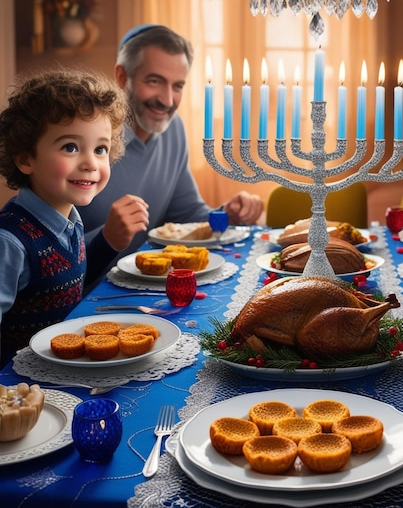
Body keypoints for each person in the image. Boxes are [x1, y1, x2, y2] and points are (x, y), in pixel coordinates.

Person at [78, 25, 263, 281]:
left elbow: (186, 215)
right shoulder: (85, 137)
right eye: (154, 81)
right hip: (83, 297)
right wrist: (106, 238)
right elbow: (46, 251)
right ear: (122, 77)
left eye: (177, 86)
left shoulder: (173, 129)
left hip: (141, 287)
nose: (166, 100)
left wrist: (227, 214)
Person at [0, 68, 127, 366]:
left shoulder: (70, 221)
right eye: (70, 147)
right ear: (25, 158)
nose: (90, 163)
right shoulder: (11, 241)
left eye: (100, 149)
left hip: (62, 370)